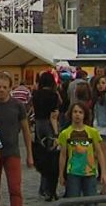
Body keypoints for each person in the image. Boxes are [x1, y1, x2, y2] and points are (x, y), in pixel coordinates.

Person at [0, 72, 34, 206]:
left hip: (12, 152)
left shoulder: (18, 105)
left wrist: (29, 154)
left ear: (10, 88)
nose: (1, 90)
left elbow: (26, 130)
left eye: (4, 87)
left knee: (15, 189)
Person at [59, 102, 106, 199]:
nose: (77, 114)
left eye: (80, 112)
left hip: (90, 172)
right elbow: (63, 155)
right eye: (75, 112)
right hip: (73, 172)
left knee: (91, 200)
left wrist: (103, 172)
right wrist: (61, 174)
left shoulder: (92, 132)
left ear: (84, 115)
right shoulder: (65, 133)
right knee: (73, 201)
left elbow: (99, 153)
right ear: (71, 114)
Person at [31, 72, 60, 201]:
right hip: (48, 125)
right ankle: (48, 188)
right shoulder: (53, 95)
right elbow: (53, 115)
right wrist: (56, 132)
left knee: (42, 156)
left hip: (38, 125)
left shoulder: (36, 94)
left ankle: (42, 188)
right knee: (51, 159)